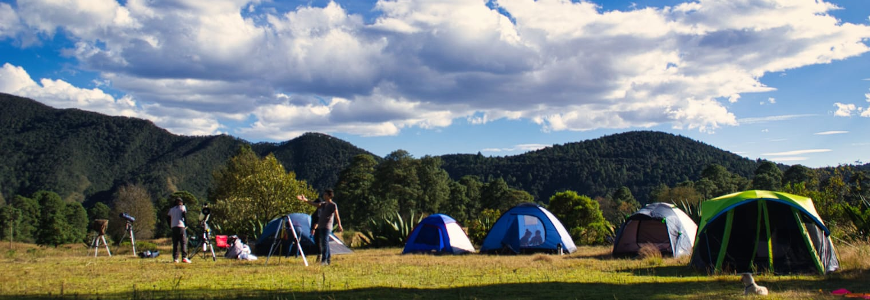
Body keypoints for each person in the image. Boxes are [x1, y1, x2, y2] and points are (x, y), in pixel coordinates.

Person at [297, 189, 343, 266]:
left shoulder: (333, 205)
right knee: (325, 243)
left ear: (329, 196)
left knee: (324, 243)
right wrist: (305, 200)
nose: (324, 196)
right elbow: (314, 204)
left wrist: (339, 225)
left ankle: (324, 260)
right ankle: (328, 259)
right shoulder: (323, 204)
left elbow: (337, 215)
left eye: (325, 194)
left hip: (327, 226)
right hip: (321, 226)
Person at [167, 196, 190, 263]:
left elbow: (168, 218)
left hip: (174, 226)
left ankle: (175, 258)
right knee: (183, 242)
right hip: (181, 226)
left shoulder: (172, 209)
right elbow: (184, 216)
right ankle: (184, 257)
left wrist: (170, 225)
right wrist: (186, 224)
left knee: (175, 243)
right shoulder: (182, 207)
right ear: (181, 202)